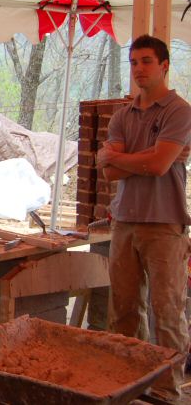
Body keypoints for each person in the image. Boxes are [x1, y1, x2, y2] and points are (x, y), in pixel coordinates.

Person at [97, 34, 191, 402]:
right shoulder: (122, 115)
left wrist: (122, 158)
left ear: (164, 65)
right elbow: (110, 174)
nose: (139, 69)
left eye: (147, 61)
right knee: (122, 309)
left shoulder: (179, 111)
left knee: (166, 310)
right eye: (134, 62)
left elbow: (158, 165)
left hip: (165, 223)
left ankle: (167, 390)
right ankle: (129, 383)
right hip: (124, 221)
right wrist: (140, 159)